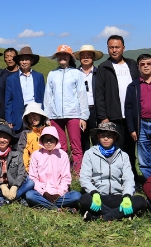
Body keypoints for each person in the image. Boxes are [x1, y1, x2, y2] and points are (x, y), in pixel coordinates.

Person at [79, 122, 148, 221]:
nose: (106, 138)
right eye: (103, 135)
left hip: (118, 197)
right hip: (98, 197)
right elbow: (84, 178)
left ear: (115, 137)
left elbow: (129, 179)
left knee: (140, 200)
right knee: (84, 199)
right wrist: (94, 192)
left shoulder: (123, 156)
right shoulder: (89, 154)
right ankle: (120, 215)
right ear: (98, 136)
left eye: (109, 136)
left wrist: (127, 196)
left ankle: (99, 216)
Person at [94, 35, 140, 178]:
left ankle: (131, 176)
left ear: (123, 48)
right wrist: (103, 117)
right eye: (111, 47)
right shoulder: (103, 67)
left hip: (131, 116)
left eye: (117, 47)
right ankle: (116, 178)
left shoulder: (132, 65)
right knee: (115, 149)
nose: (114, 50)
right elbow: (99, 94)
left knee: (131, 149)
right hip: (113, 116)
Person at [44, 45, 89, 174]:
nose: (62, 57)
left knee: (76, 144)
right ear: (57, 57)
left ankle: (77, 172)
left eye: (65, 55)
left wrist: (83, 116)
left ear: (70, 57)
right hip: (55, 115)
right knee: (60, 145)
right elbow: (48, 95)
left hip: (73, 114)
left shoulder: (77, 74)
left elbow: (82, 94)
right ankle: (62, 171)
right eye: (60, 55)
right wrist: (47, 116)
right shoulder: (52, 74)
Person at [25, 127, 82, 210]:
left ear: (56, 140)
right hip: (41, 193)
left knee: (76, 196)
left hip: (59, 194)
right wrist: (44, 192)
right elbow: (33, 178)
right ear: (42, 140)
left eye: (51, 140)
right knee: (30, 195)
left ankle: (45, 205)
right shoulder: (36, 155)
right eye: (46, 140)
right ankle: (57, 208)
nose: (49, 143)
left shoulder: (63, 155)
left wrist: (59, 193)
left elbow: (66, 178)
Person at [0, 124, 34, 207]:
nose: (2, 140)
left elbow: (22, 173)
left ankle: (4, 199)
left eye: (5, 137)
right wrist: (1, 185)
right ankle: (12, 198)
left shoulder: (17, 154)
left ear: (10, 139)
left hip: (14, 187)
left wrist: (15, 186)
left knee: (30, 182)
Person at [4, 46, 45, 132]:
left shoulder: (39, 76)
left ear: (31, 61)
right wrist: (9, 119)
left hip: (35, 114)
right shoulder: (11, 79)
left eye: (27, 59)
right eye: (22, 60)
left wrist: (45, 116)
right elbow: (8, 101)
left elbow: (43, 97)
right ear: (19, 61)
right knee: (19, 139)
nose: (24, 62)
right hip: (18, 116)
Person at [73, 45, 102, 153]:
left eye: (89, 55)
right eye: (83, 55)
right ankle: (84, 161)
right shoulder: (74, 74)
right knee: (82, 139)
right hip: (79, 111)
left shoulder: (99, 73)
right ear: (79, 58)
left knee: (97, 138)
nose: (86, 58)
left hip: (95, 110)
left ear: (93, 58)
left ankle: (98, 159)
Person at [16, 102, 50, 171]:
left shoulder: (49, 131)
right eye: (29, 117)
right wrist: (27, 169)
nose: (32, 119)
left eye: (34, 115)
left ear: (40, 115)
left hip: (48, 168)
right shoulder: (25, 134)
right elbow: (22, 152)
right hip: (31, 168)